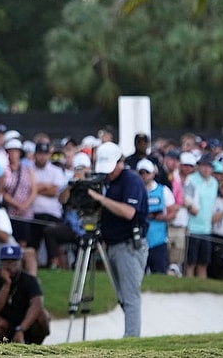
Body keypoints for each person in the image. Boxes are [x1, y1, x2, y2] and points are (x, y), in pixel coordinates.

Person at [86, 142, 148, 337]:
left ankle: (131, 340)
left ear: (120, 162)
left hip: (129, 245)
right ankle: (132, 336)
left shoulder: (131, 180)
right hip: (113, 245)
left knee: (130, 297)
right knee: (122, 296)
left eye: (110, 168)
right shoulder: (109, 181)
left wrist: (101, 199)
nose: (108, 173)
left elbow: (129, 212)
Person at [0, 245, 50, 344]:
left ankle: (35, 346)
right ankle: (7, 348)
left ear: (20, 262)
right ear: (1, 263)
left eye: (14, 262)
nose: (10, 266)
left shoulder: (30, 280)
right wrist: (6, 285)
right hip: (7, 324)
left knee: (43, 316)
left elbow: (37, 305)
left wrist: (21, 329)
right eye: (6, 262)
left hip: (27, 323)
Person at [137, 159, 178, 274]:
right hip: (139, 240)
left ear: (153, 173)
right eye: (141, 173)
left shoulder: (163, 190)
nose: (144, 176)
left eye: (147, 172)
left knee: (160, 273)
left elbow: (173, 211)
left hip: (158, 240)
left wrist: (160, 217)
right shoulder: (134, 190)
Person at [182, 154, 219, 278]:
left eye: (209, 166)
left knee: (204, 263)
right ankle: (189, 291)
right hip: (192, 228)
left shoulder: (214, 182)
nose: (206, 169)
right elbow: (186, 201)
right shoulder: (191, 179)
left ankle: (200, 291)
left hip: (207, 229)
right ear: (199, 166)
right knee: (190, 263)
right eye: (204, 166)